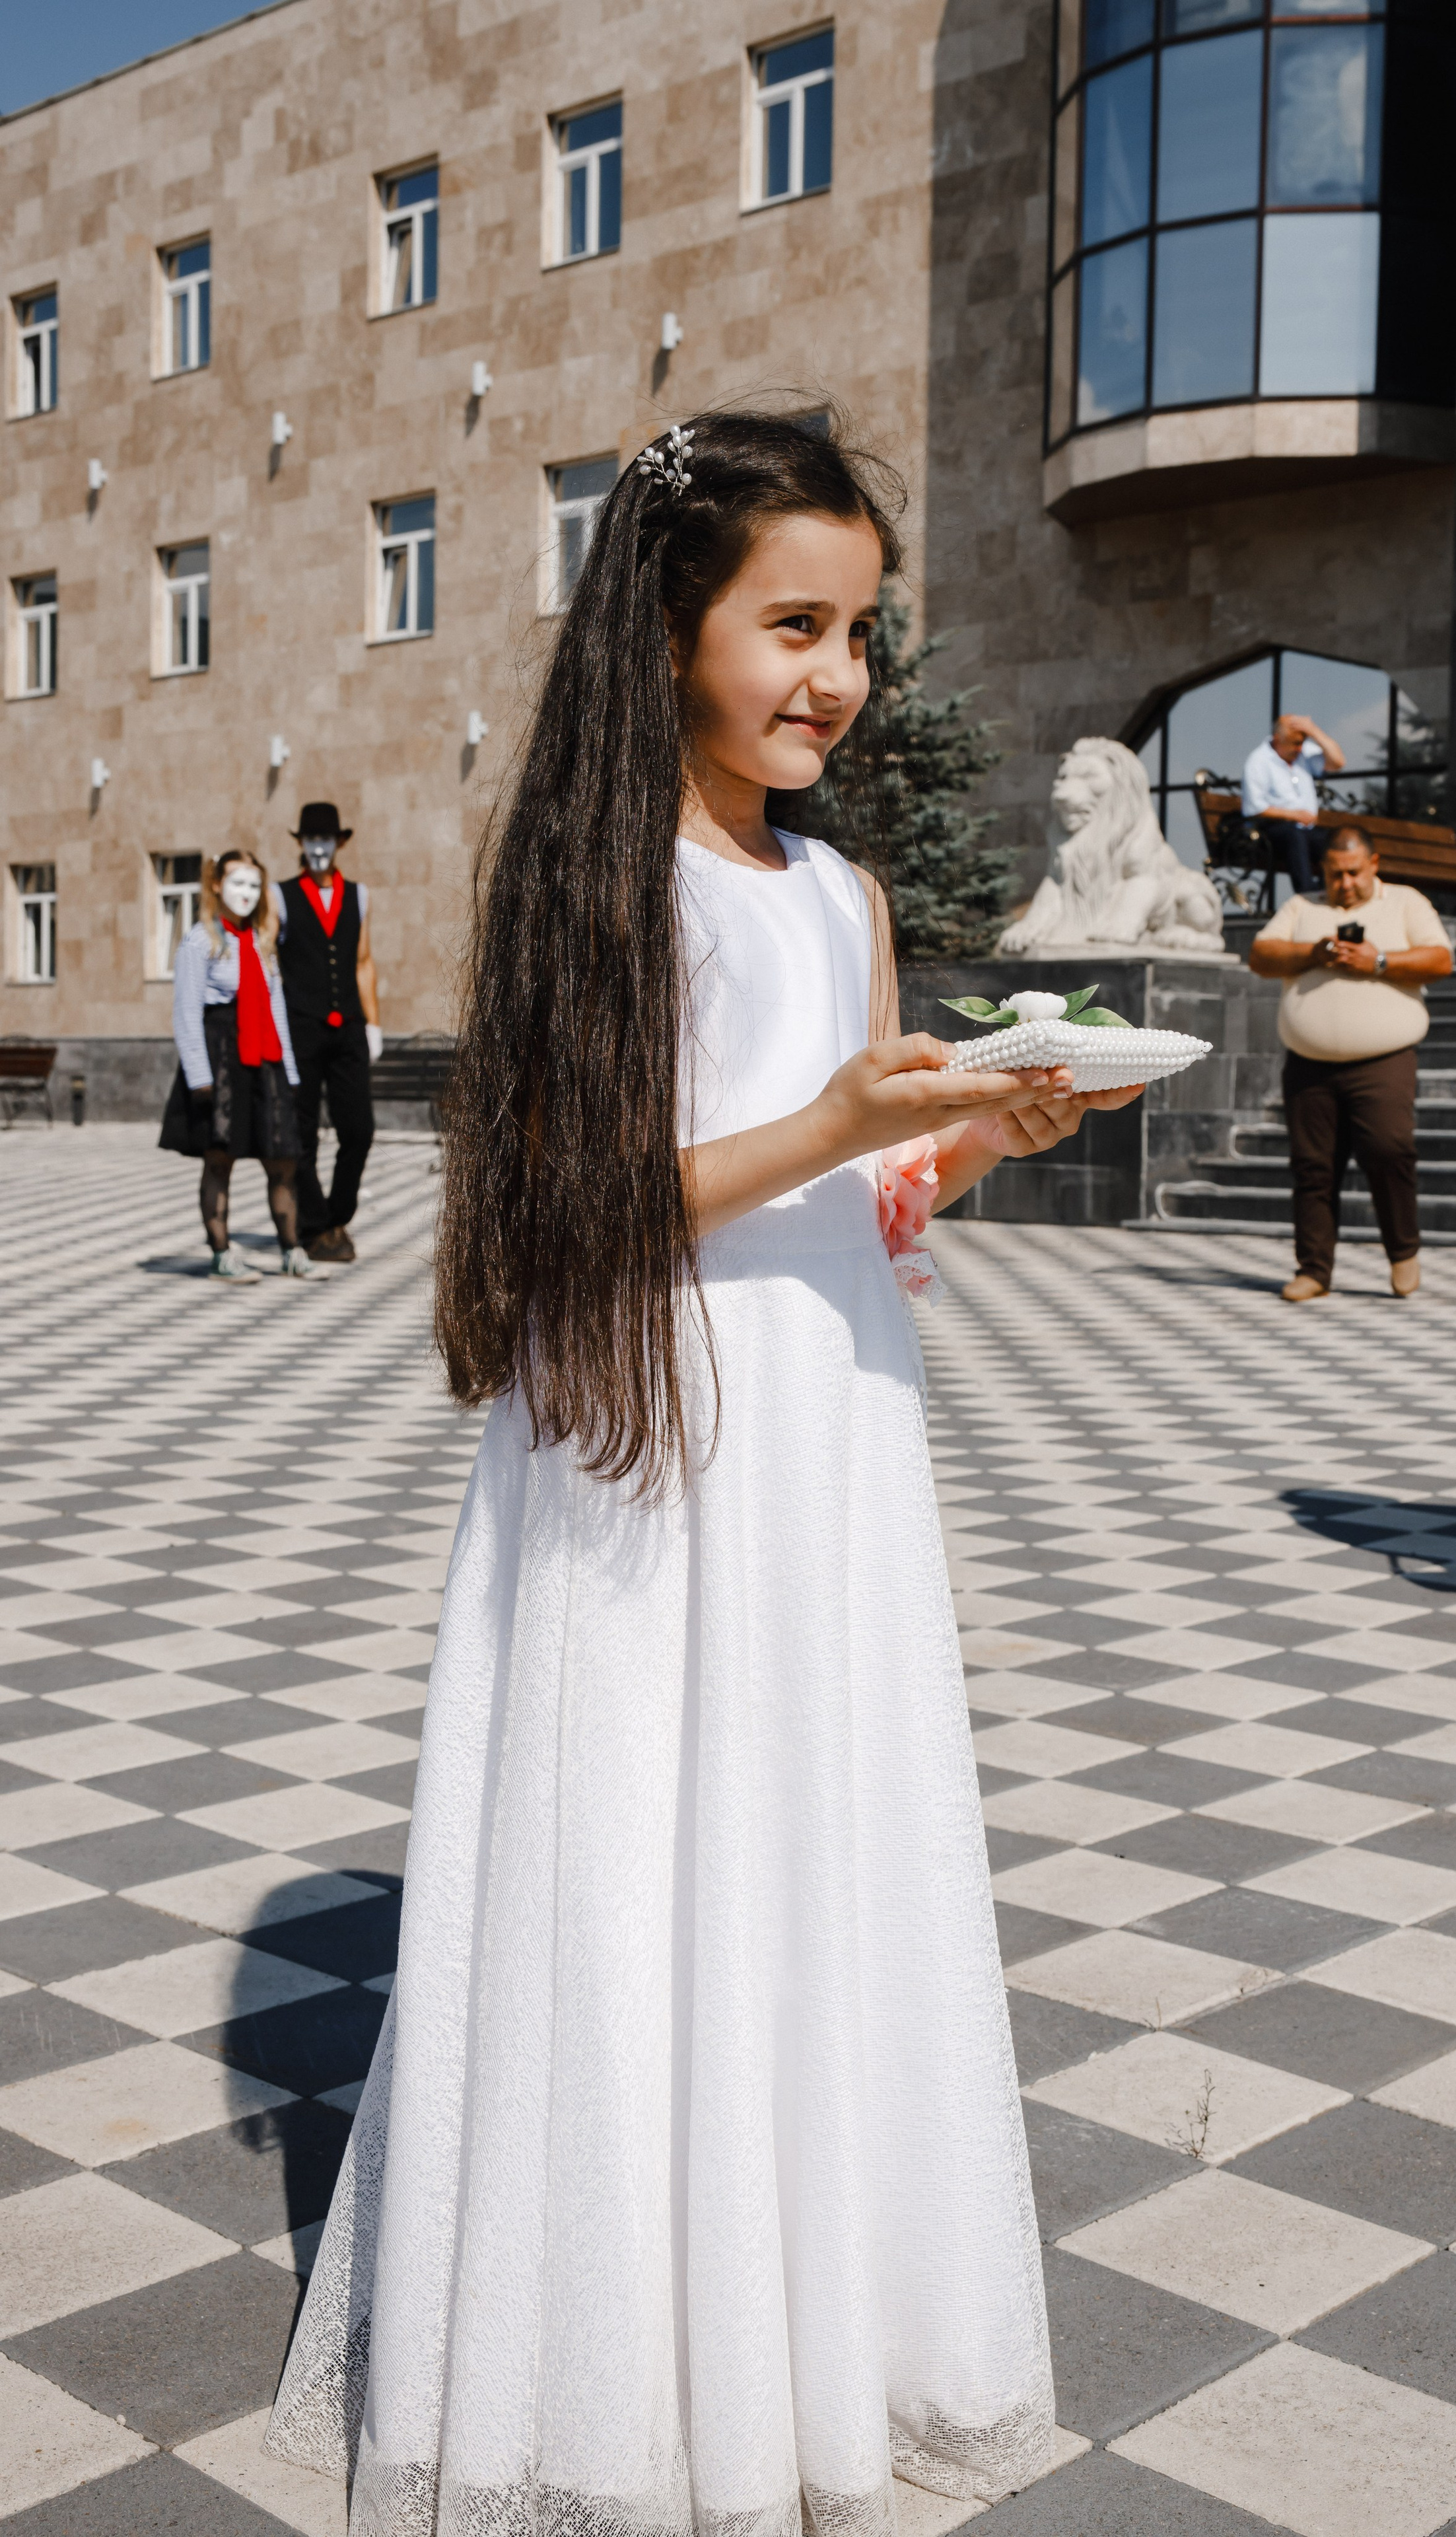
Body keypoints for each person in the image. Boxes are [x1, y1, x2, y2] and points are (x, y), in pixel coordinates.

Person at [266, 411, 1145, 2529]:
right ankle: (628, 2342)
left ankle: (802, 2313)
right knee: (638, 1851)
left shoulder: (840, 886)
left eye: (859, 629)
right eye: (791, 622)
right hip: (650, 1434)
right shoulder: (598, 877)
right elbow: (582, 1210)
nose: (835, 672)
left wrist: (960, 1143)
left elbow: (860, 1176)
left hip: (827, 1425)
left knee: (800, 1841)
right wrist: (850, 1130)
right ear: (670, 625)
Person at [1249, 823, 1453, 1302]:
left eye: (1354, 873)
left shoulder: (1405, 902)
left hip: (1383, 1062)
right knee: (1312, 1167)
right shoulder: (1303, 906)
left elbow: (1440, 960)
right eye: (1336, 874)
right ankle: (1314, 1269)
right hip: (1309, 1063)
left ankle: (1403, 1252)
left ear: (1374, 864)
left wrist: (1378, 961)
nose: (1344, 883)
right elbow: (1261, 954)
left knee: (1389, 1150)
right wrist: (1313, 952)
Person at [158, 848, 331, 1283]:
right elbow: (185, 1014)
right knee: (220, 1158)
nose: (246, 894)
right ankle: (221, 1253)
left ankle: (291, 1249)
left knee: (283, 1160)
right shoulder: (201, 940)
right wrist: (199, 1077)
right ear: (216, 885)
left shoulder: (262, 942)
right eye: (237, 883)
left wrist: (290, 1073)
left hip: (266, 1061)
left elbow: (277, 1013)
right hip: (221, 1060)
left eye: (255, 885)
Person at [273, 801, 382, 1265]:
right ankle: (316, 1226)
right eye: (311, 839)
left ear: (340, 843)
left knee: (358, 1129)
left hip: (349, 1029)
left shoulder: (359, 895)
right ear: (300, 843)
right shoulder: (279, 896)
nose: (319, 847)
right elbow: (267, 964)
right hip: (299, 1029)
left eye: (327, 839)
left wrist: (374, 1022)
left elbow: (362, 962)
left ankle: (337, 1215)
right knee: (302, 1133)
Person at [1241, 709, 1348, 894]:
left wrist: (1314, 731)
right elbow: (1254, 808)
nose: (1299, 748)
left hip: (1305, 830)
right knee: (1294, 835)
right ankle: (1306, 893)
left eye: (1302, 743)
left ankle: (1328, 892)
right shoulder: (1258, 761)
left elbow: (1338, 762)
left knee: (1332, 840)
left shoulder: (1304, 754)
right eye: (1295, 743)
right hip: (1271, 831)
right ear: (1277, 739)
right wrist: (1293, 815)